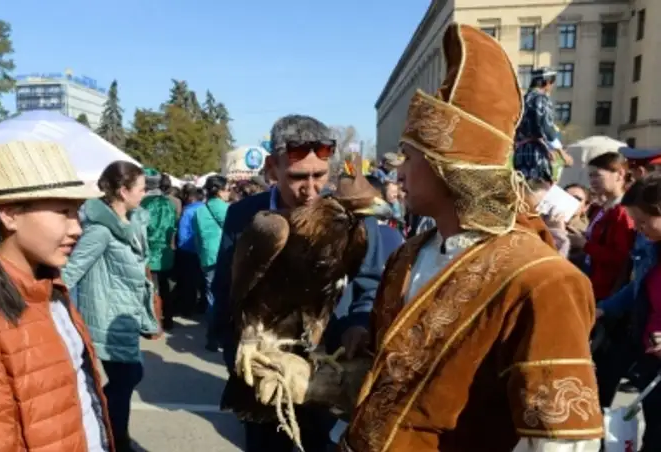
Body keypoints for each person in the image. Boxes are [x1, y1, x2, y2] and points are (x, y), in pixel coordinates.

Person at [245, 24, 602, 452]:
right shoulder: (408, 255)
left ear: (448, 170)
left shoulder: (543, 282)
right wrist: (329, 382)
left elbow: (560, 443)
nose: (396, 173)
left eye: (408, 158)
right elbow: (390, 380)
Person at [212, 114, 391, 452]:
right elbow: (226, 293)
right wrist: (237, 357)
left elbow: (369, 283)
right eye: (297, 177)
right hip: (264, 366)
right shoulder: (246, 217)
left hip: (322, 368)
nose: (311, 190)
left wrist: (357, 324)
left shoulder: (352, 218)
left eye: (319, 175)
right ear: (271, 170)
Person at [0, 141, 114, 452]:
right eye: (63, 212)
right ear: (10, 215)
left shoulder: (50, 289)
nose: (77, 228)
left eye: (77, 213)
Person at [62, 160, 159, 452]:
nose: (144, 194)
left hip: (126, 315)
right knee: (127, 377)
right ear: (122, 190)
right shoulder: (101, 230)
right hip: (107, 317)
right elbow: (71, 271)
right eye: (140, 189)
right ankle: (115, 439)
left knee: (128, 377)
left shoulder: (130, 222)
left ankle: (109, 430)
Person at [596, 173, 661, 450]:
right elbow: (638, 289)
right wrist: (602, 309)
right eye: (636, 221)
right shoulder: (651, 247)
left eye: (645, 221)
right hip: (650, 360)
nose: (639, 228)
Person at [572, 152, 635, 300]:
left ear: (619, 174)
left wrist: (584, 245)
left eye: (597, 175)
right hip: (593, 280)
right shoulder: (604, 207)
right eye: (590, 176)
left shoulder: (623, 212)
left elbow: (620, 258)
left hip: (606, 290)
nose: (592, 181)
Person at [513, 67, 573, 183]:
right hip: (535, 154)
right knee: (539, 188)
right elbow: (546, 127)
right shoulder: (541, 98)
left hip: (520, 152)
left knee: (523, 187)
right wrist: (562, 153)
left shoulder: (522, 100)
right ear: (547, 82)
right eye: (552, 83)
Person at [192, 175, 230, 351]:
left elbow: (197, 238)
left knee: (211, 297)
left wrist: (201, 257)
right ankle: (223, 336)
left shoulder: (199, 210)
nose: (229, 192)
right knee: (225, 298)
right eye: (227, 189)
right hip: (225, 257)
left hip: (207, 257)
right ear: (220, 191)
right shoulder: (228, 209)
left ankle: (211, 338)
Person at [141, 169, 178, 330]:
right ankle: (168, 319)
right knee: (166, 288)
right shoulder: (169, 203)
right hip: (166, 252)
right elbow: (173, 225)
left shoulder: (144, 204)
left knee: (151, 289)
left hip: (148, 252)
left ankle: (153, 322)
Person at [176, 184, 204, 316]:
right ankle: (202, 306)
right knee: (202, 280)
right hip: (203, 250)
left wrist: (180, 249)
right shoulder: (205, 209)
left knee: (188, 282)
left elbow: (182, 234)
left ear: (189, 198)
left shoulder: (187, 211)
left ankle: (187, 308)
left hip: (188, 251)